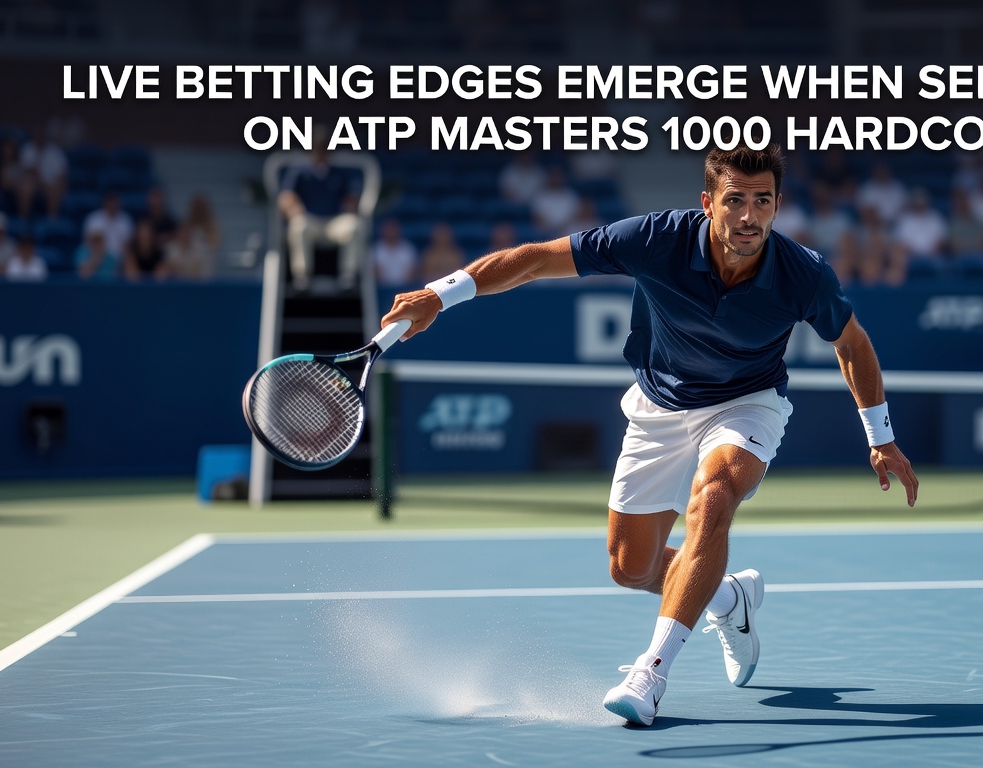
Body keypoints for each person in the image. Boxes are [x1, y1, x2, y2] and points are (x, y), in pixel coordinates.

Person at [379, 145, 917, 728]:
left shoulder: (803, 273)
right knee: (629, 568)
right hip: (660, 404)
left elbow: (852, 344)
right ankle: (727, 597)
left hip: (747, 403)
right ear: (708, 202)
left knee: (712, 499)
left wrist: (881, 436)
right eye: (734, 200)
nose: (749, 216)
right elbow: (536, 258)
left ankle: (651, 673)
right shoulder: (655, 240)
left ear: (778, 206)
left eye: (762, 201)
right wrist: (439, 293)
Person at [278, 143, 362, 290]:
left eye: (324, 150)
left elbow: (350, 197)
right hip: (310, 220)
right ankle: (301, 276)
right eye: (318, 150)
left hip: (333, 222)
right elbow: (286, 196)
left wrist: (350, 205)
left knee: (353, 226)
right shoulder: (299, 172)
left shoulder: (338, 173)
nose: (321, 154)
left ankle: (348, 276)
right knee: (299, 226)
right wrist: (293, 206)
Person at [83, 191, 134, 261]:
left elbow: (128, 245)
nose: (112, 205)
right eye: (110, 202)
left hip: (120, 260)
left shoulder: (126, 219)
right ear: (105, 203)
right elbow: (90, 242)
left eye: (114, 202)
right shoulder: (94, 219)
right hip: (98, 257)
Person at [370, 218, 419, 287]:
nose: (391, 232)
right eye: (388, 229)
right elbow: (375, 273)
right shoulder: (375, 250)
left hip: (404, 287)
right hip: (382, 289)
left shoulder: (408, 249)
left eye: (393, 229)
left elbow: (411, 273)